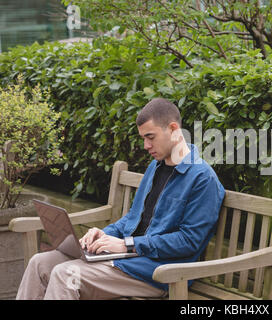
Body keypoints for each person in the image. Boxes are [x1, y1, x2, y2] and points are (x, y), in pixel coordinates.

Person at [16, 98, 225, 300]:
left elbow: (188, 241)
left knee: (65, 274)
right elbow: (133, 219)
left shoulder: (202, 179)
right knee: (40, 263)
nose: (145, 145)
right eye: (143, 138)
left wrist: (128, 245)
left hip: (156, 273)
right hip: (126, 259)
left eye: (150, 137)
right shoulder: (156, 167)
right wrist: (103, 234)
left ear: (173, 129)